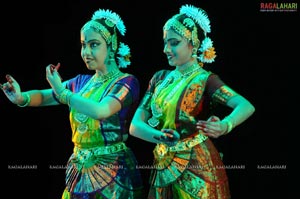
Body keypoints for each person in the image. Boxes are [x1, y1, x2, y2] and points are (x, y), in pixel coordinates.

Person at [1, 8, 145, 199]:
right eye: (83, 45)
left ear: (111, 47)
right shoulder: (80, 83)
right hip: (80, 169)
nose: (86, 52)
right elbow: (45, 96)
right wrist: (21, 98)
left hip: (114, 171)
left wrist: (63, 93)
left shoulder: (126, 82)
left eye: (94, 45)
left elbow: (102, 111)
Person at [129, 4, 255, 199]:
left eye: (174, 42)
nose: (166, 49)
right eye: (165, 43)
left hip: (198, 166)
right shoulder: (160, 79)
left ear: (193, 44)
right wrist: (161, 137)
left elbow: (245, 106)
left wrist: (224, 125)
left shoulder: (205, 79)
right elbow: (135, 126)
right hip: (163, 164)